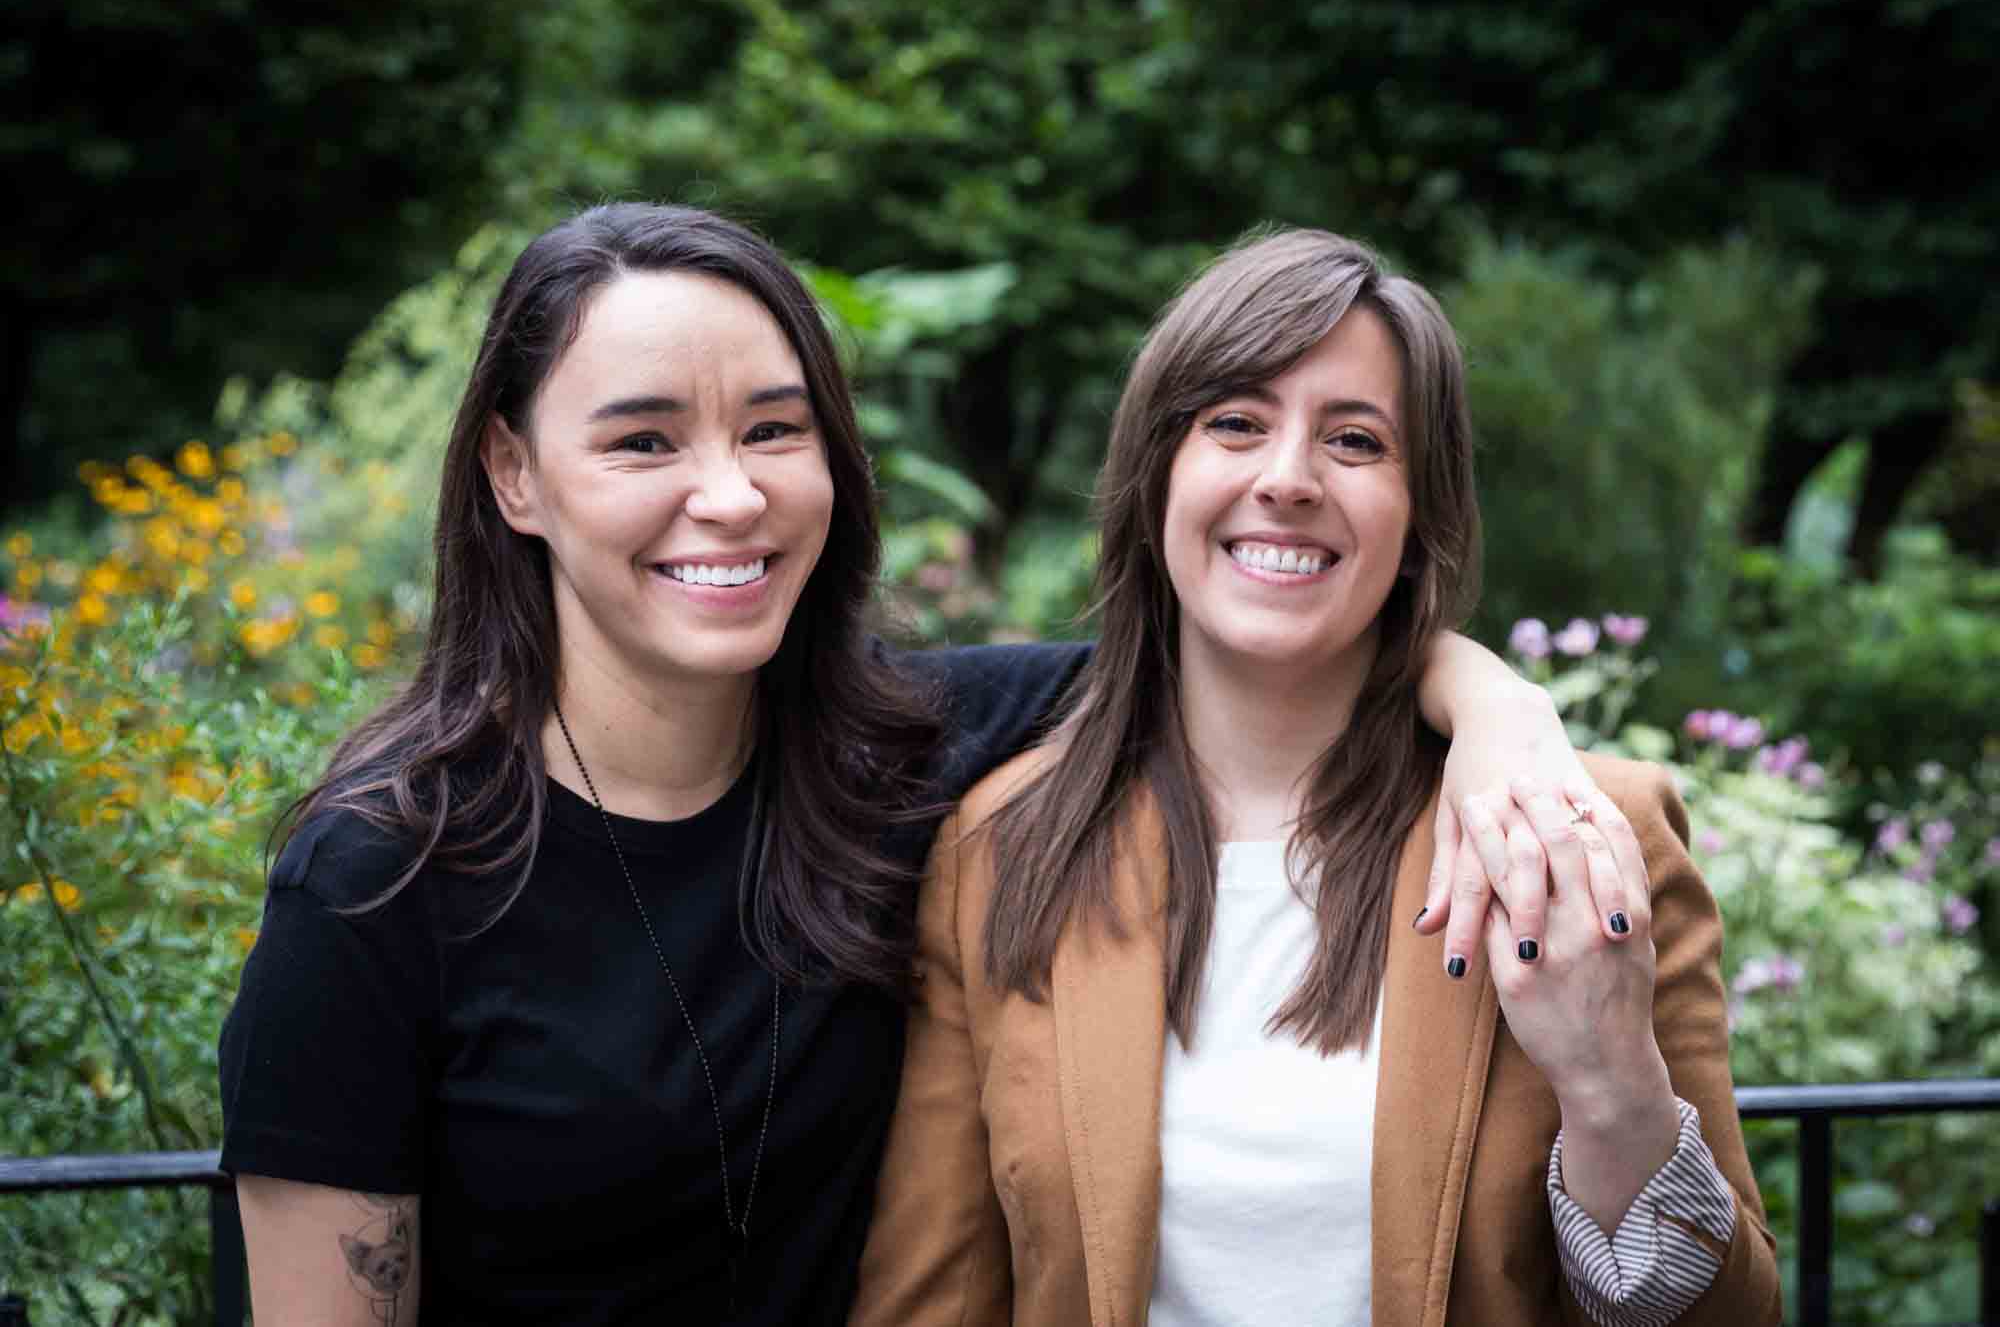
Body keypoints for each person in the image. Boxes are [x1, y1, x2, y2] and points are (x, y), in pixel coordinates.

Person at [218, 204, 1637, 1327]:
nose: (730, 493)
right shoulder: (382, 876)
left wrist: (1500, 708)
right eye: (644, 439)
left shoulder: (908, 758)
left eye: (774, 429)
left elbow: (1254, 645)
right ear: (515, 476)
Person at [849, 228, 1782, 1326]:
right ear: (1155, 477)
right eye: (1234, 423)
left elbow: (1725, 1318)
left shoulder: (1578, 833)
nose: (1286, 479)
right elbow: (931, 1298)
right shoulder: (999, 851)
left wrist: (1610, 1084)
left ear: (1417, 514)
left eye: (1353, 440)